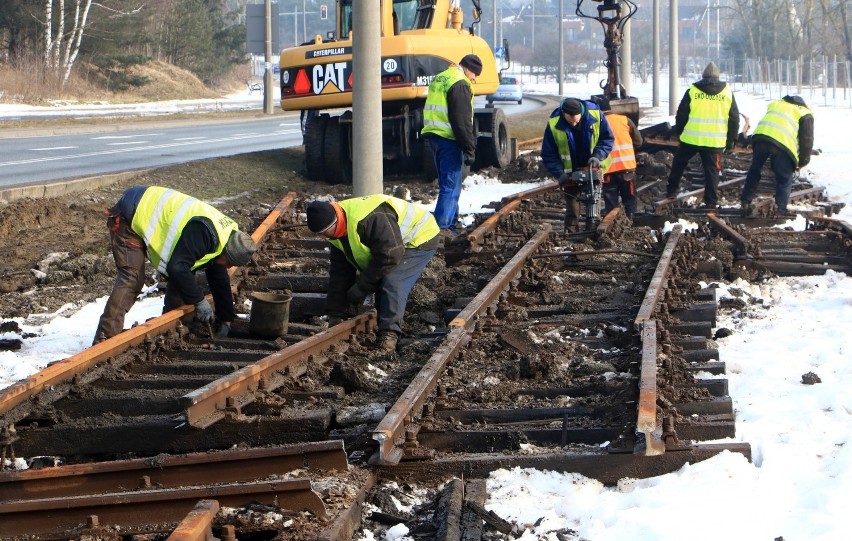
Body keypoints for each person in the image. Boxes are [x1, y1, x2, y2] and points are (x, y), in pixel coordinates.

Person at [93, 186, 257, 344]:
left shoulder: (226, 239)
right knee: (132, 279)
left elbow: (217, 275)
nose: (228, 267)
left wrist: (226, 318)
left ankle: (167, 330)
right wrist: (199, 301)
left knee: (184, 278)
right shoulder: (205, 234)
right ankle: (104, 338)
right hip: (131, 214)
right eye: (229, 263)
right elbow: (177, 268)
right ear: (226, 253)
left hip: (148, 205)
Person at [306, 195, 440, 353]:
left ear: (335, 221)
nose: (323, 237)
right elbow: (340, 273)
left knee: (392, 282)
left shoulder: (369, 219)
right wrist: (336, 312)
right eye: (320, 234)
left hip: (420, 236)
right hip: (392, 244)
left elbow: (390, 255)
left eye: (325, 232)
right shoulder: (334, 233)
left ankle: (389, 336)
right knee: (380, 276)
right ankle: (384, 324)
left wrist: (362, 288)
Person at [421, 54, 482, 233]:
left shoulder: (441, 77)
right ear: (470, 69)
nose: (474, 79)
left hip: (434, 137)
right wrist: (469, 148)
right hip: (449, 139)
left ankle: (452, 222)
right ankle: (442, 229)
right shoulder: (460, 83)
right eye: (475, 75)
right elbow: (461, 121)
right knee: (450, 185)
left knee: (447, 183)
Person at [665, 62, 739, 208]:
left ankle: (671, 191)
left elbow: (681, 114)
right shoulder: (727, 93)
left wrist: (681, 132)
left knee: (679, 163)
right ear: (718, 77)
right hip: (714, 142)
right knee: (712, 171)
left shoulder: (693, 91)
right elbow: (734, 119)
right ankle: (711, 202)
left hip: (691, 139)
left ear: (703, 76)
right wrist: (731, 141)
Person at [540, 97, 614, 232]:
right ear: (564, 114)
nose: (573, 124)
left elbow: (607, 139)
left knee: (593, 200)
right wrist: (559, 173)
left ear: (582, 113)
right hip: (569, 171)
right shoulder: (554, 123)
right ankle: (571, 233)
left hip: (593, 166)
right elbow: (548, 154)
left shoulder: (596, 115)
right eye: (570, 121)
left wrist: (597, 156)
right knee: (572, 206)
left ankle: (592, 231)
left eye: (576, 120)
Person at [739, 95, 814, 217]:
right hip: (782, 143)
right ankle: (780, 210)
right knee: (784, 178)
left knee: (755, 170)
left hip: (760, 138)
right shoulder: (804, 113)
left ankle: (745, 201)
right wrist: (803, 161)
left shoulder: (777, 104)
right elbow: (807, 140)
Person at [601, 101, 643, 219]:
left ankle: (611, 227)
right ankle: (632, 225)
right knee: (630, 201)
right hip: (626, 169)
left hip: (607, 170)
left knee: (611, 204)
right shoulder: (625, 120)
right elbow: (639, 142)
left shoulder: (596, 124)